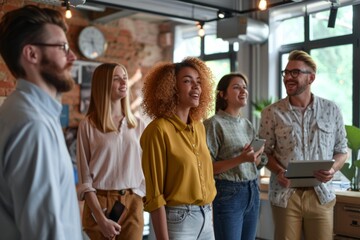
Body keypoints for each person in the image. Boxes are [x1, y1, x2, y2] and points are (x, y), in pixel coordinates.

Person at [0, 5, 82, 240]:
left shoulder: (26, 112)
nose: (72, 57)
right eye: (62, 47)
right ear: (32, 54)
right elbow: (45, 232)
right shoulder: (32, 124)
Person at [258, 50, 348, 240]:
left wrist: (332, 170)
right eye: (286, 73)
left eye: (295, 73)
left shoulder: (331, 110)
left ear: (311, 78)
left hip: (321, 195)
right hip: (285, 195)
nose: (288, 77)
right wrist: (278, 171)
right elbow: (263, 153)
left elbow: (341, 151)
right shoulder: (271, 113)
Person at [140, 57, 217, 240]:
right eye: (187, 81)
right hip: (178, 221)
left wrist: (209, 217)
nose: (196, 87)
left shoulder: (199, 127)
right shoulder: (158, 130)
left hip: (206, 218)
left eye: (198, 82)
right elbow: (155, 194)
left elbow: (207, 178)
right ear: (171, 88)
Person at [76, 63, 146, 240]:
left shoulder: (138, 125)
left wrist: (138, 195)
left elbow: (148, 168)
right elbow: (85, 180)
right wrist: (100, 219)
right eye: (116, 78)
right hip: (99, 204)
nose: (123, 82)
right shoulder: (88, 125)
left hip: (132, 202)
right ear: (103, 84)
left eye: (125, 77)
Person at [204, 73, 267, 240]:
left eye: (245, 87)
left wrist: (258, 155)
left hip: (252, 189)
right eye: (236, 87)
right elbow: (207, 168)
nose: (243, 91)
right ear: (223, 94)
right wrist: (241, 159)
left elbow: (254, 163)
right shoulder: (213, 124)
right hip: (228, 193)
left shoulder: (247, 124)